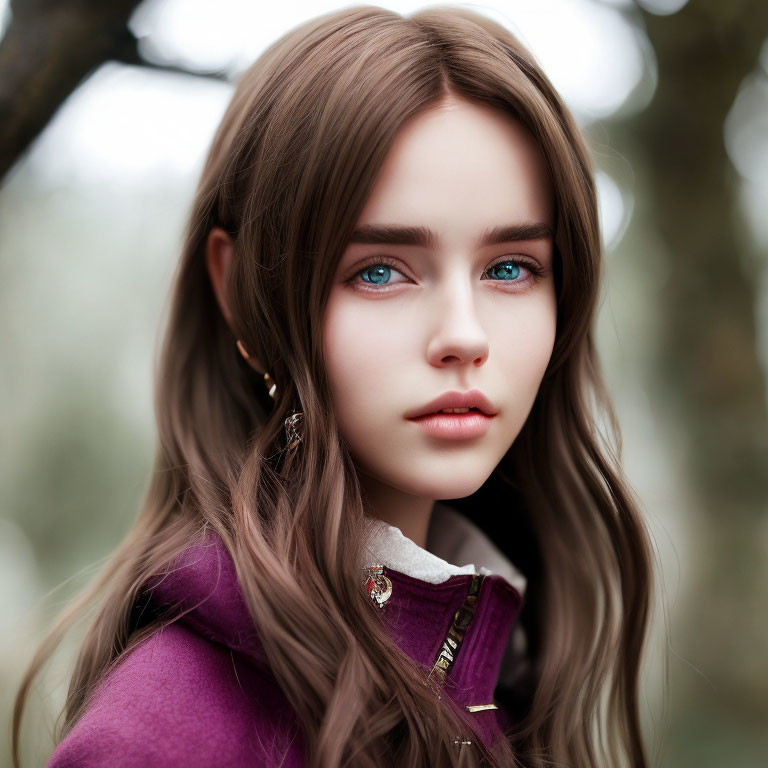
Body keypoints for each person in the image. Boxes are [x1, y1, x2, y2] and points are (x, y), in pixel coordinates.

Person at [12, 5, 656, 767]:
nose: (464, 334)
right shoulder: (160, 740)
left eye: (509, 268)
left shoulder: (501, 671)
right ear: (239, 290)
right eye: (380, 271)